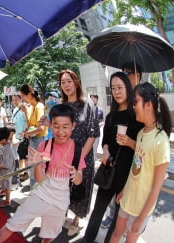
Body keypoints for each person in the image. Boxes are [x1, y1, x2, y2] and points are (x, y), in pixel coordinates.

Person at [0, 104, 86, 243]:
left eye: (65, 127)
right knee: (12, 225)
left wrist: (76, 175)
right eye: (56, 126)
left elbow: (79, 181)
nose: (60, 131)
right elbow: (39, 178)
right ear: (50, 125)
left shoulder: (77, 149)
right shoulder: (45, 145)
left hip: (60, 203)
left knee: (50, 235)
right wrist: (37, 165)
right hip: (40, 197)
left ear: (73, 125)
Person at [83, 72, 143, 243]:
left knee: (118, 219)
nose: (116, 92)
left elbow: (143, 151)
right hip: (109, 171)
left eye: (120, 87)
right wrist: (106, 150)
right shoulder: (111, 116)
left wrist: (130, 142)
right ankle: (88, 239)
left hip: (126, 177)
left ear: (128, 89)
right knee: (97, 210)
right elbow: (106, 142)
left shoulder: (137, 117)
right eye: (113, 88)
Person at [110, 82, 171, 243]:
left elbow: (156, 188)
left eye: (136, 102)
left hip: (141, 209)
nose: (133, 106)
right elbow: (136, 167)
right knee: (116, 234)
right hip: (128, 199)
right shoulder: (141, 133)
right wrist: (124, 190)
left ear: (149, 105)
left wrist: (141, 218)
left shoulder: (161, 141)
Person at [54, 69, 99, 236]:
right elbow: (59, 131)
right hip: (65, 157)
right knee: (64, 188)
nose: (66, 85)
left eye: (69, 81)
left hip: (83, 158)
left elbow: (93, 133)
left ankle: (76, 220)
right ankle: (62, 214)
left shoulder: (87, 105)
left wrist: (79, 158)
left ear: (76, 82)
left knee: (81, 188)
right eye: (63, 82)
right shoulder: (62, 107)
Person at [19, 84, 48, 190]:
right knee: (33, 168)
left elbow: (41, 128)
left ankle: (35, 193)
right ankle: (33, 192)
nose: (22, 99)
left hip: (38, 141)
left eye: (22, 96)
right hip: (34, 140)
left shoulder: (39, 107)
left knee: (36, 169)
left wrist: (27, 134)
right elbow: (30, 124)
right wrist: (26, 112)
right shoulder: (32, 107)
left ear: (29, 95)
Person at [0, 127, 16, 207]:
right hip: (2, 170)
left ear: (3, 140)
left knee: (7, 185)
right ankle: (3, 190)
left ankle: (7, 200)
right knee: (3, 182)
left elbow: (7, 165)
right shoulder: (3, 145)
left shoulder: (8, 149)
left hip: (7, 171)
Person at [11, 94, 27, 182]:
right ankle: (21, 172)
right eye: (13, 100)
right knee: (19, 156)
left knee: (23, 156)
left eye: (16, 100)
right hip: (15, 136)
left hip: (23, 137)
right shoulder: (15, 110)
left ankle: (24, 173)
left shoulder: (25, 109)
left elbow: (27, 122)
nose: (14, 102)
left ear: (21, 99)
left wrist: (24, 132)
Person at [90, 94, 104, 160]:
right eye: (91, 99)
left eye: (94, 98)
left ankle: (94, 161)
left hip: (96, 131)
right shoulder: (87, 110)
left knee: (95, 148)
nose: (92, 100)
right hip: (88, 133)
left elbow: (102, 121)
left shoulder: (100, 110)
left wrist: (98, 126)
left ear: (97, 100)